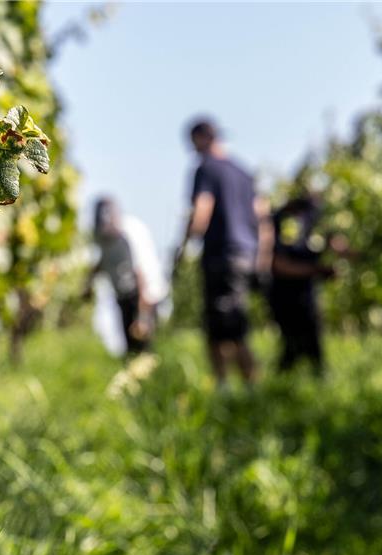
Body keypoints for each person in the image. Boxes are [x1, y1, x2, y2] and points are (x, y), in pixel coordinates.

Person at [174, 118, 274, 385]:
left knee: (222, 328)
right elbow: (263, 219)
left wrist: (183, 247)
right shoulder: (244, 172)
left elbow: (201, 213)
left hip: (222, 256)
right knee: (234, 322)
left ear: (202, 138)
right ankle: (242, 388)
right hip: (246, 256)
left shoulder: (206, 168)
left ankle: (234, 387)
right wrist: (262, 260)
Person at [84, 197, 165, 355]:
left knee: (143, 343)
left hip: (145, 296)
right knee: (130, 345)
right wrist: (88, 284)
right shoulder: (103, 236)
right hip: (124, 294)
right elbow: (103, 259)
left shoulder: (130, 234)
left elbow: (142, 275)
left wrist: (142, 317)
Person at [268, 194, 336, 372]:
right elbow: (278, 265)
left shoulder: (313, 224)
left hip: (306, 295)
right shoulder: (280, 222)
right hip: (284, 295)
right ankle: (292, 379)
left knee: (308, 342)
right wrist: (316, 271)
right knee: (294, 342)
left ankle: (306, 376)